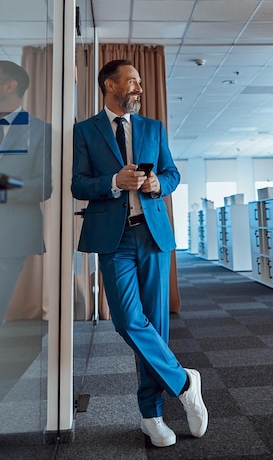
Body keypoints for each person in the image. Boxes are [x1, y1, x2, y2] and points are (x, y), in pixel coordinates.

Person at [71, 59, 208, 448]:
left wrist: (155, 185)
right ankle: (184, 382)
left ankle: (152, 415)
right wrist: (113, 181)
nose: (138, 88)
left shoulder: (153, 128)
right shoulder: (84, 131)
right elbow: (78, 184)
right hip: (113, 241)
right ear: (109, 85)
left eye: (140, 83)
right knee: (129, 321)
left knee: (156, 326)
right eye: (131, 81)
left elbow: (173, 174)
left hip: (151, 237)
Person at [0, 60, 52, 323]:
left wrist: (5, 186)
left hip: (11, 235)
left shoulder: (41, 130)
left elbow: (44, 186)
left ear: (10, 85)